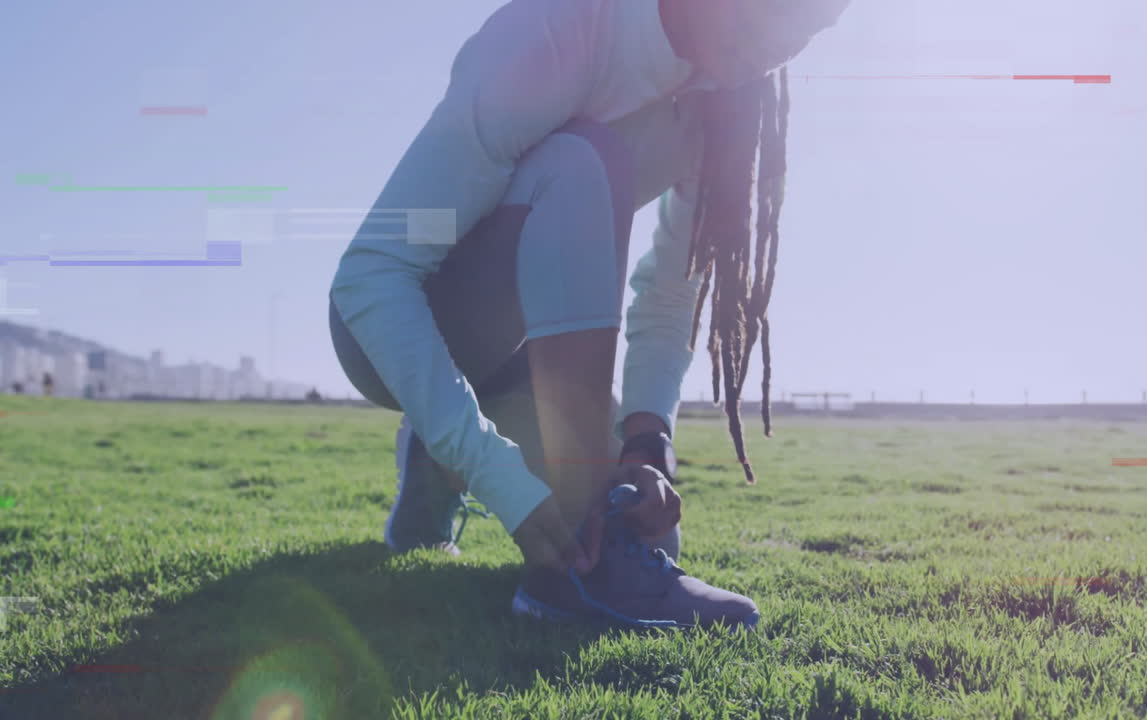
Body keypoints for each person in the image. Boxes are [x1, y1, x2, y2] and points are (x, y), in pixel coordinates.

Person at [329, 0, 849, 628]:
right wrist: (498, 475)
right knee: (583, 158)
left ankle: (434, 457)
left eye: (812, 26)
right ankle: (562, 583)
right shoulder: (556, 31)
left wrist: (647, 443)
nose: (779, 41)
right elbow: (373, 273)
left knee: (646, 537)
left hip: (524, 358)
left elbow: (668, 298)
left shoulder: (730, 111)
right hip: (397, 333)